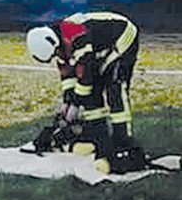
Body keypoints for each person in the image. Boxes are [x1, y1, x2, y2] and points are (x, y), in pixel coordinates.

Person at [25, 11, 145, 173]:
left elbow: (86, 71)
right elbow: (68, 76)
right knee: (91, 92)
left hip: (122, 37)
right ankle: (97, 135)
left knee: (114, 87)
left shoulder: (74, 33)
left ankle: (122, 139)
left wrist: (75, 104)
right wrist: (67, 102)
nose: (56, 56)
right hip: (98, 48)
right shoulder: (59, 44)